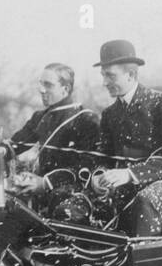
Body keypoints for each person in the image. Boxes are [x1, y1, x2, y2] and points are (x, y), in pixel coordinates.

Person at [90, 40, 162, 236]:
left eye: (110, 75)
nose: (104, 83)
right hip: (124, 188)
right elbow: (103, 158)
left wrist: (129, 174)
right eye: (103, 76)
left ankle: (146, 260)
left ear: (131, 74)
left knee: (146, 200)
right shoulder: (109, 114)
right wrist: (98, 177)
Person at [8, 63, 100, 198]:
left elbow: (87, 165)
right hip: (40, 189)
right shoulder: (40, 117)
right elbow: (15, 144)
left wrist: (46, 182)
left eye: (48, 85)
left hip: (71, 193)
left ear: (65, 89)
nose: (42, 90)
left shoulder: (85, 119)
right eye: (41, 84)